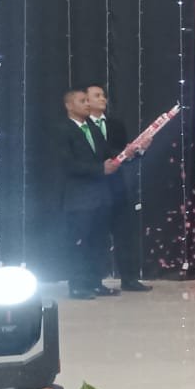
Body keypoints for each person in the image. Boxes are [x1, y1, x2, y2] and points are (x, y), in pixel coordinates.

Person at [85, 84, 152, 291]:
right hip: (94, 190)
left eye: (103, 95)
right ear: (85, 101)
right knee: (96, 237)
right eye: (97, 95)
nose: (102, 99)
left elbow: (125, 157)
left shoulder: (115, 124)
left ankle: (129, 279)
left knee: (126, 235)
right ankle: (94, 281)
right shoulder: (82, 126)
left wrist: (139, 150)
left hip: (118, 189)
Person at [59, 88, 121, 300]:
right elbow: (67, 164)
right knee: (79, 243)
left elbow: (107, 154)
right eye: (82, 100)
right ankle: (77, 285)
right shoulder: (63, 130)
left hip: (101, 196)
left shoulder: (92, 128)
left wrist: (130, 152)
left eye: (88, 100)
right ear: (69, 105)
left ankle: (95, 282)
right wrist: (99, 169)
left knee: (98, 242)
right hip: (79, 198)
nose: (87, 104)